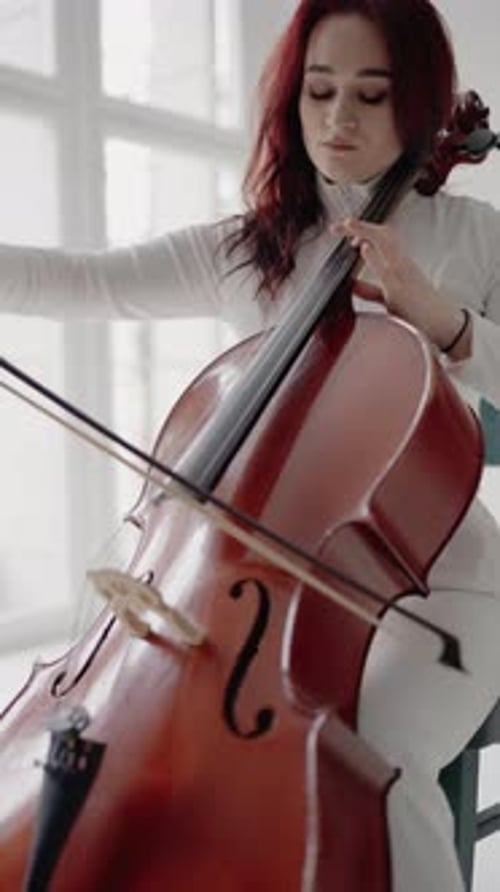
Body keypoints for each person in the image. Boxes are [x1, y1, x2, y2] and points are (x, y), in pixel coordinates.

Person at [1, 1, 500, 889]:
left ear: (418, 106)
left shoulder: (474, 240)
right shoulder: (255, 244)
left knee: (368, 755)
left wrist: (444, 319)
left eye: (371, 95)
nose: (338, 120)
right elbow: (78, 279)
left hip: (437, 589)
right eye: (319, 91)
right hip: (245, 588)